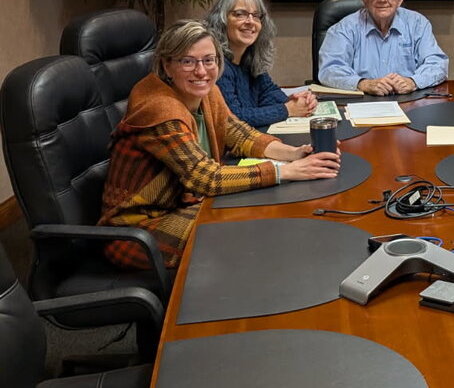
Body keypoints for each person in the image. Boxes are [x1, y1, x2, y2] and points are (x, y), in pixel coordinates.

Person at [99, 20, 341, 269]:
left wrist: (294, 154)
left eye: (209, 60)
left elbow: (239, 136)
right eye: (187, 61)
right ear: (166, 65)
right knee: (250, 229)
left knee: (262, 214)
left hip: (183, 205)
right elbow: (205, 178)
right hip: (139, 229)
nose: (201, 71)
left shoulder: (206, 91)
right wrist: (285, 171)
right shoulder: (160, 107)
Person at [318, 0, 449, 95]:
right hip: (361, 103)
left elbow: (438, 64)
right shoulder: (345, 28)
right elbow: (329, 70)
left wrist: (413, 82)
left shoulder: (418, 24)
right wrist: (363, 84)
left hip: (409, 101)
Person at [207, 0, 317, 131]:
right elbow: (234, 117)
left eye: (256, 15)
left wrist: (296, 101)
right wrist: (287, 109)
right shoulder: (215, 64)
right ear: (221, 20)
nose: (250, 21)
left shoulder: (249, 57)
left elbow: (267, 92)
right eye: (240, 14)